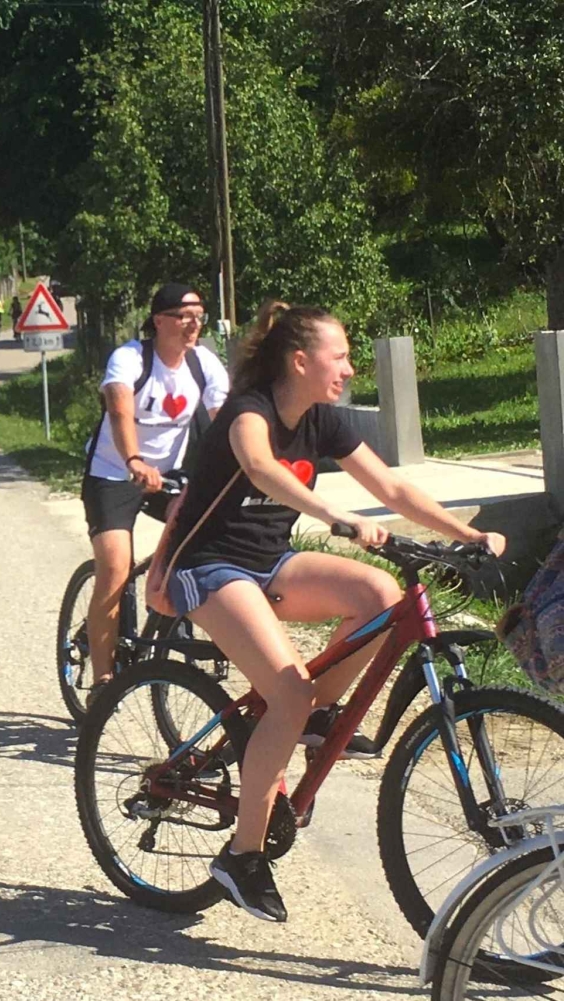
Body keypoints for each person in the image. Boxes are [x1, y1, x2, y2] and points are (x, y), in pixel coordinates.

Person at [160, 301, 506, 923]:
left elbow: (394, 489)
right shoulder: (249, 411)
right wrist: (335, 518)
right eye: (339, 355)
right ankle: (242, 857)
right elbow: (261, 468)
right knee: (289, 696)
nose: (348, 367)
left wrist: (467, 534)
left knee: (379, 597)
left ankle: (315, 714)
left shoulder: (324, 421)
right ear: (301, 360)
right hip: (209, 568)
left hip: (269, 563)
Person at [80, 284, 228, 696]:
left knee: (209, 543)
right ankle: (103, 683)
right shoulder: (130, 358)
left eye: (200, 314)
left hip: (170, 476)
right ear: (159, 319)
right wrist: (133, 461)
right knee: (114, 567)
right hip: (113, 472)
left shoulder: (203, 364)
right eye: (184, 315)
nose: (194, 323)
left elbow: (227, 422)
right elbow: (119, 409)